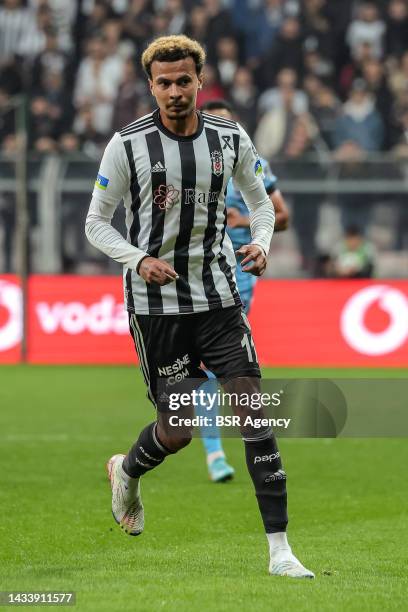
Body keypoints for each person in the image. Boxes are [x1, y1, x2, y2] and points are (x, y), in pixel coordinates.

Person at [85, 34, 314, 579]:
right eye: (163, 83)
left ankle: (280, 551)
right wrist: (138, 259)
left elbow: (262, 206)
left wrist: (262, 242)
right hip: (154, 303)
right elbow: (96, 222)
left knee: (253, 412)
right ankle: (127, 472)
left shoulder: (230, 137)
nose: (174, 91)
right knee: (179, 429)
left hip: (217, 296)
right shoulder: (127, 144)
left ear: (199, 81)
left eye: (183, 80)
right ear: (151, 86)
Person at [196, 98, 289, 483]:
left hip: (240, 276)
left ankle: (225, 448)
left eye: (228, 125)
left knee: (218, 367)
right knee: (207, 368)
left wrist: (244, 219)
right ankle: (215, 451)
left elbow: (281, 216)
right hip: (197, 272)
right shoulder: (189, 165)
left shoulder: (253, 165)